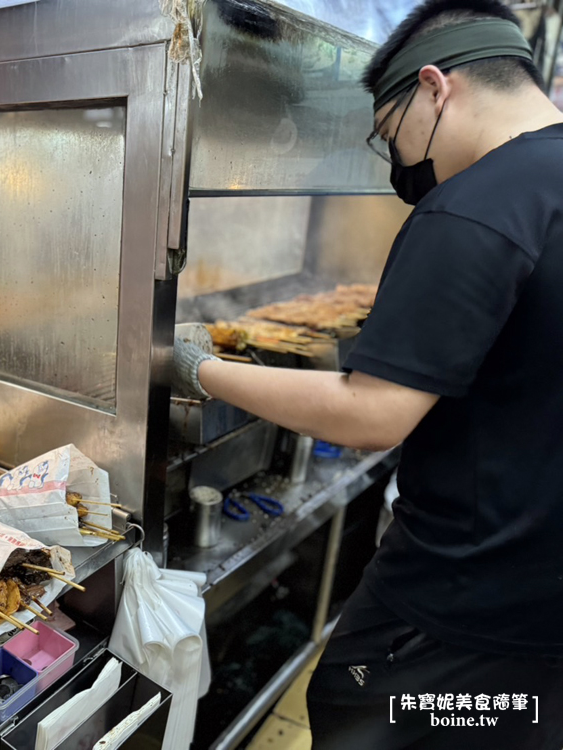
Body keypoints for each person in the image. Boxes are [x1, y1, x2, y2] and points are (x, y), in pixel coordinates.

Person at [173, 1, 563, 747]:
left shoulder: (474, 205)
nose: (402, 168)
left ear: (434, 88)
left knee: (359, 709)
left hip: (458, 607)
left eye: (391, 136)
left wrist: (205, 368)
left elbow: (369, 415)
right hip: (541, 614)